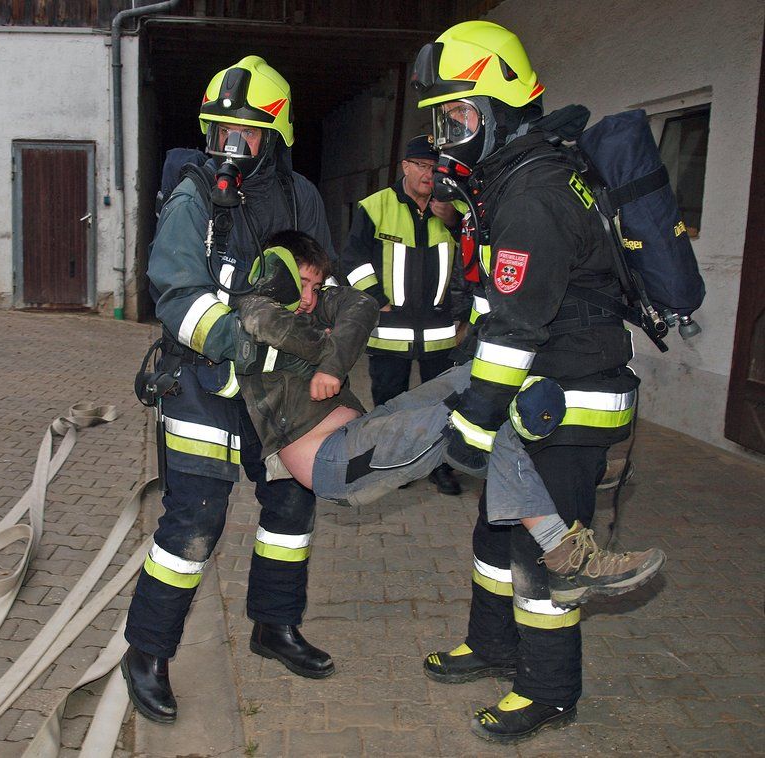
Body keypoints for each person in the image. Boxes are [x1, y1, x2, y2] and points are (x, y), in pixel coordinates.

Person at [410, 20, 661, 743]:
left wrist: (472, 421)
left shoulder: (532, 194)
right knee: (498, 529)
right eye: (441, 123)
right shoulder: (515, 180)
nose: (448, 140)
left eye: (459, 120)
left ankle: (549, 691)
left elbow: (516, 327)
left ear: (501, 111)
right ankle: (491, 646)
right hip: (539, 397)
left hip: (569, 403)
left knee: (544, 554)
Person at [235, 231, 662, 605]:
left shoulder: (306, 306)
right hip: (334, 462)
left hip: (362, 430)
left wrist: (332, 358)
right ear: (274, 274)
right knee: (474, 416)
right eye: (301, 284)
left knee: (479, 377)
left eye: (316, 286)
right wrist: (330, 346)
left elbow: (361, 304)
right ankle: (566, 556)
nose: (310, 297)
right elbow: (303, 337)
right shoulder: (256, 310)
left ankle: (563, 464)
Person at [121, 55, 336, 726]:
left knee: (292, 506)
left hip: (277, 389)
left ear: (276, 137)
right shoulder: (194, 196)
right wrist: (238, 341)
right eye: (219, 132)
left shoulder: (303, 198)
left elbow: (322, 285)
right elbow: (175, 291)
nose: (229, 147)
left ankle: (275, 625)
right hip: (202, 382)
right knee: (195, 521)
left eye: (245, 134)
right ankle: (147, 653)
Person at [341, 135, 466, 496]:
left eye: (435, 168)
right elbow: (352, 259)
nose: (429, 174)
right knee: (390, 402)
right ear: (406, 167)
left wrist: (454, 222)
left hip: (440, 331)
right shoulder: (375, 206)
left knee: (442, 403)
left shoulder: (456, 209)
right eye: (423, 166)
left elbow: (477, 260)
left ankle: (440, 465)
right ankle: (396, 464)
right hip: (390, 331)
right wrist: (375, 298)